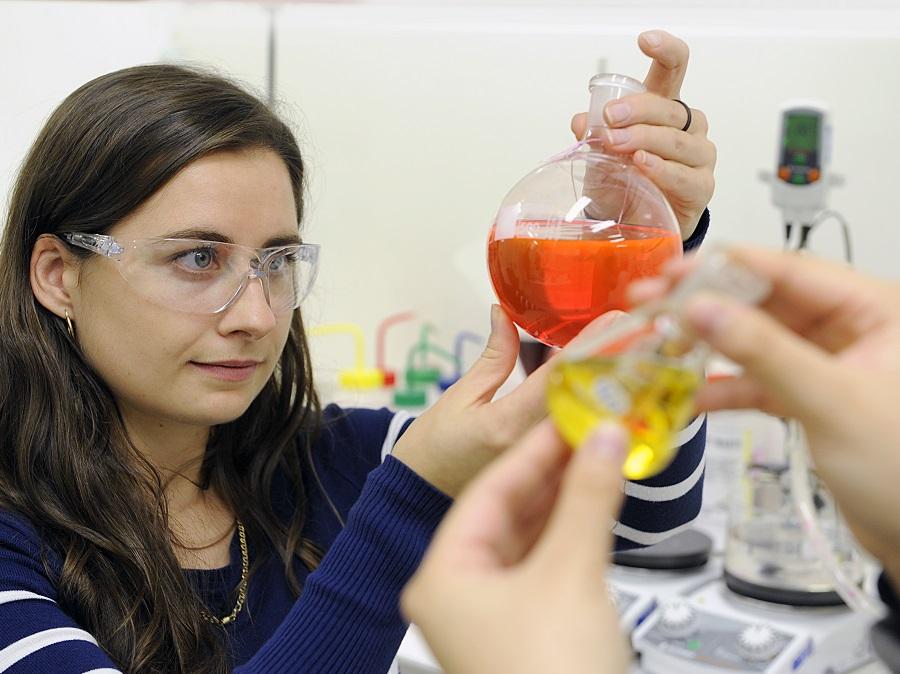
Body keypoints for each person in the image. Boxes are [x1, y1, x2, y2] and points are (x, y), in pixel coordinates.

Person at [0, 31, 714, 674]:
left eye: (276, 261)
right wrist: (412, 500)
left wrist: (652, 273)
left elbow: (647, 509)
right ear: (60, 276)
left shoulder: (325, 464)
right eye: (195, 259)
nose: (256, 316)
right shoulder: (13, 536)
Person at [402, 245, 900, 673]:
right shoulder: (397, 458)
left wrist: (654, 248)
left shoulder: (353, 445)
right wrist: (409, 496)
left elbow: (649, 516)